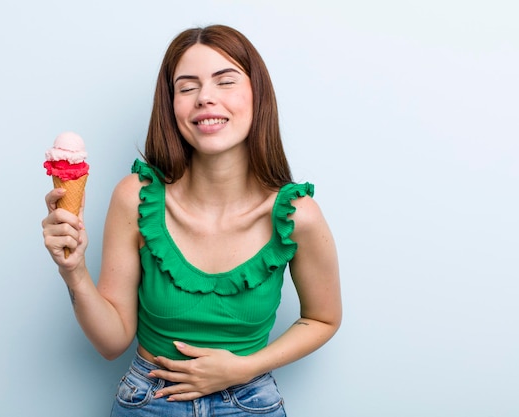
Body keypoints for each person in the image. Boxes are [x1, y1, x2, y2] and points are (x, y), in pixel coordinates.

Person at [42, 24, 341, 417]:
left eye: (225, 81)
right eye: (187, 87)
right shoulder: (134, 198)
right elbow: (112, 342)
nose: (205, 98)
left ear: (257, 95)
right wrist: (74, 270)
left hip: (249, 402)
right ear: (171, 107)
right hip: (146, 401)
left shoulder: (297, 216)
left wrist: (245, 366)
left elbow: (323, 317)